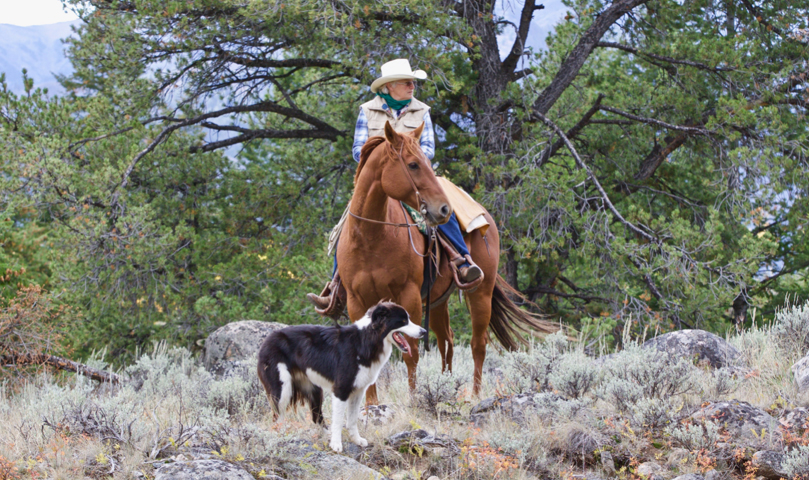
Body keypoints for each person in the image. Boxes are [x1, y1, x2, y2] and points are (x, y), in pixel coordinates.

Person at [306, 59, 483, 312]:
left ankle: (462, 260)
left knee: (446, 210)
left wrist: (409, 159)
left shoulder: (422, 110)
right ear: (389, 87)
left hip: (417, 177)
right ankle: (337, 285)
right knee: (348, 225)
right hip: (378, 180)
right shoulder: (367, 110)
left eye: (413, 82)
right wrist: (383, 160)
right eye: (407, 82)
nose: (413, 86)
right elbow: (358, 150)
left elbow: (429, 149)